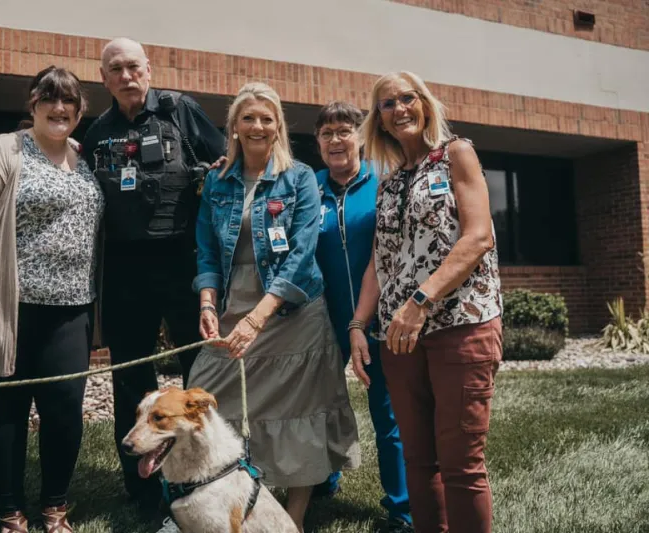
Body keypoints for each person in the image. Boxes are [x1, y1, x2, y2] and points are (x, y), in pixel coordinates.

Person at [189, 81, 360, 533]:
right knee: (209, 396)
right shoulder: (217, 179)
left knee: (300, 411)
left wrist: (258, 317)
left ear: (278, 126)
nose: (257, 126)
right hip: (235, 303)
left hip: (292, 309)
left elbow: (302, 253)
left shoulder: (299, 177)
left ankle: (292, 519)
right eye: (248, 118)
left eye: (267, 118)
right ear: (234, 126)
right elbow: (206, 251)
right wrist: (207, 302)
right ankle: (226, 501)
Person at [0, 66, 104, 533]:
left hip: (73, 309)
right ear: (33, 104)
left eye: (68, 100)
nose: (59, 108)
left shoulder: (84, 157)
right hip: (10, 307)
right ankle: (10, 510)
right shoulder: (4, 149)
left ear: (79, 110)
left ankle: (55, 506)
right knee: (8, 410)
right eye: (48, 98)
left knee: (64, 410)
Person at [349, 71, 503, 533]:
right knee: (417, 460)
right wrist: (358, 325)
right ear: (379, 120)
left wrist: (420, 302)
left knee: (461, 462)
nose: (399, 109)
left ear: (424, 103)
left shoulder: (456, 154)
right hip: (399, 336)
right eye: (387, 104)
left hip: (460, 324)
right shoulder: (389, 181)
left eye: (407, 98)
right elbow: (380, 260)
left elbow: (478, 237)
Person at [80, 38, 226, 510]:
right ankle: (142, 490)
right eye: (116, 69)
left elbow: (227, 161)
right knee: (130, 378)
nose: (126, 76)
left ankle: (207, 475)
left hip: (182, 261)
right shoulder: (96, 132)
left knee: (199, 371)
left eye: (133, 66)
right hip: (125, 270)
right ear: (104, 78)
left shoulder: (180, 110)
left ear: (149, 68)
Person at [312, 101, 413, 533]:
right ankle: (322, 479)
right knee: (317, 405)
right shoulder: (307, 187)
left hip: (379, 317)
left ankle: (402, 508)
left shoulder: (385, 179)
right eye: (326, 133)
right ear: (317, 142)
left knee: (388, 413)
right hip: (321, 318)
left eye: (344, 131)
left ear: (360, 136)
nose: (336, 140)